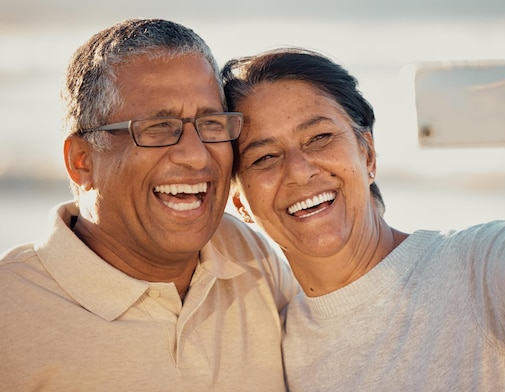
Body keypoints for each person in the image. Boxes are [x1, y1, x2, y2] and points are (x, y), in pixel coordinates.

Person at [222, 45, 505, 391]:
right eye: (265, 157)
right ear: (240, 203)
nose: (298, 170)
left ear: (368, 154)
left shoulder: (477, 270)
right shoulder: (277, 347)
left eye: (320, 137)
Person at [0, 19, 299, 391]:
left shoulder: (248, 253)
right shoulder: (10, 313)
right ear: (82, 161)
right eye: (158, 128)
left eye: (210, 123)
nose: (195, 155)